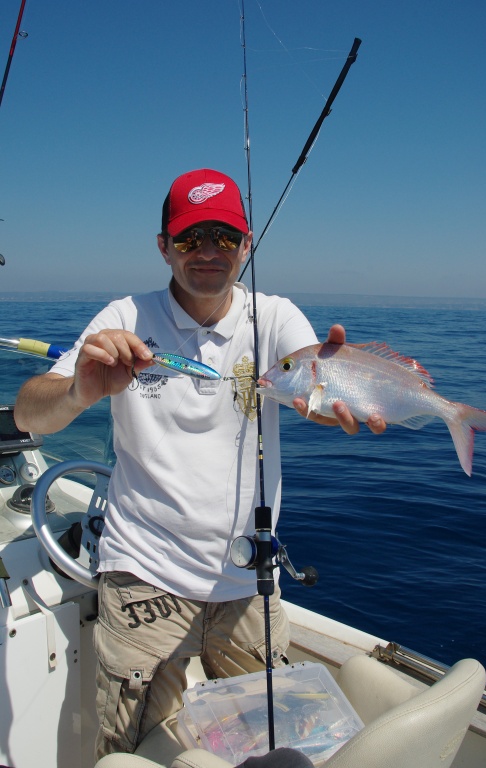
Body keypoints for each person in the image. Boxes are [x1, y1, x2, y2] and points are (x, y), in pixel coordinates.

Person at [14, 168, 385, 759]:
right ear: (163, 246)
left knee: (275, 745)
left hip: (247, 578)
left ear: (247, 245)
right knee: (128, 749)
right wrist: (80, 392)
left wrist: (339, 402)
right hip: (143, 573)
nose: (208, 253)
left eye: (225, 237)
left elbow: (308, 391)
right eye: (190, 239)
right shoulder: (123, 318)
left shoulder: (276, 315)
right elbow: (31, 414)